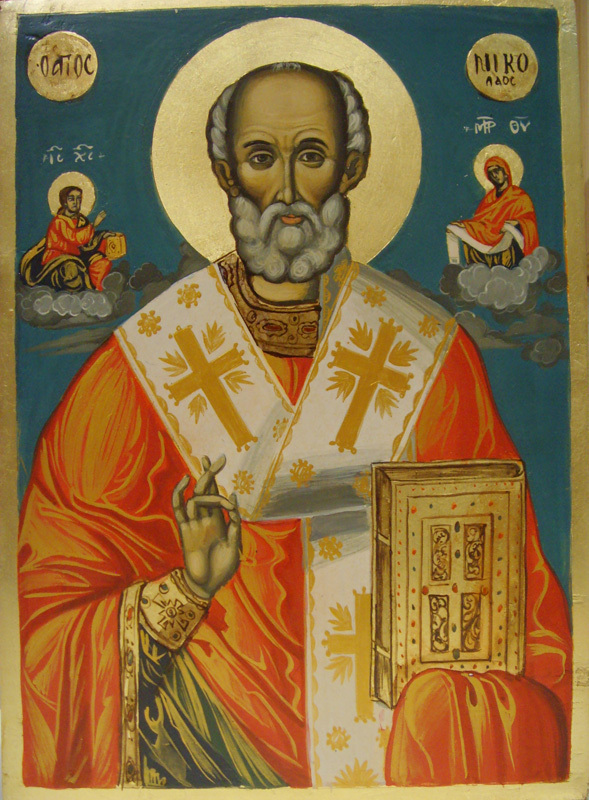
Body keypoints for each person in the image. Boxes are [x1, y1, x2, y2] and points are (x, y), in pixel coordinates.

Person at [19, 63, 571, 789]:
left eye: (310, 155)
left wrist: (454, 713)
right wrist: (189, 588)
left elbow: (515, 609)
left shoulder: (432, 357)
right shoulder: (141, 365)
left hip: (400, 750)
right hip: (211, 745)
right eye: (260, 157)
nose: (285, 190)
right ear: (224, 172)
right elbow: (47, 620)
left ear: (352, 167)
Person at [446, 156, 539, 267]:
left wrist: (516, 222)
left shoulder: (520, 196)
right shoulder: (489, 198)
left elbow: (529, 221)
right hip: (488, 233)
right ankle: (454, 266)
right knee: (452, 228)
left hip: (505, 238)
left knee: (509, 229)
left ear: (506, 172)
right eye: (490, 173)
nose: (494, 175)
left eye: (497, 170)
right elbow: (480, 221)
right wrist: (465, 225)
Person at [20, 186, 115, 291]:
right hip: (58, 260)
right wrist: (94, 225)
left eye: (78, 198)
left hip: (77, 258)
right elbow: (75, 238)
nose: (75, 202)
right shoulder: (59, 221)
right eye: (71, 199)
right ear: (64, 202)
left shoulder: (81, 221)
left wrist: (101, 236)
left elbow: (86, 244)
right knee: (71, 269)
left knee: (102, 262)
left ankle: (96, 290)